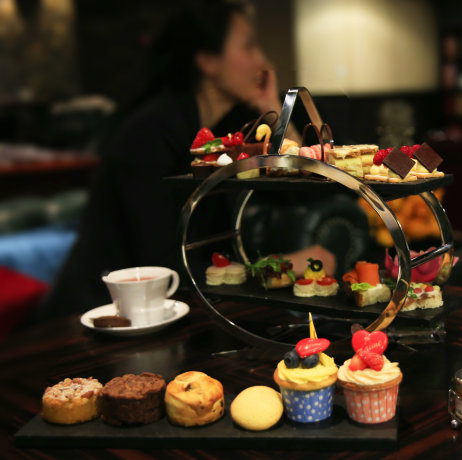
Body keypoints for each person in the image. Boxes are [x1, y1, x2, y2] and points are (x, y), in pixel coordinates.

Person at [38, 0, 330, 319]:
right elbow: (163, 263)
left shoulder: (228, 130)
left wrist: (272, 107)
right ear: (207, 61)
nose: (263, 61)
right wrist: (280, 267)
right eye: (249, 47)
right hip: (101, 315)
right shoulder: (149, 132)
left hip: (177, 309)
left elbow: (308, 191)